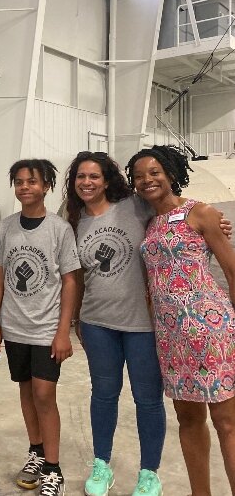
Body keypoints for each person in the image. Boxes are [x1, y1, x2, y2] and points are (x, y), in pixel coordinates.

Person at [128, 145, 235, 495]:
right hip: (171, 335)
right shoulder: (148, 222)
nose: (147, 180)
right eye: (139, 175)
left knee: (226, 422)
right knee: (188, 420)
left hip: (209, 329)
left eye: (155, 172)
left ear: (171, 173)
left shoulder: (200, 213)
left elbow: (231, 270)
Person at [63, 151, 166, 496]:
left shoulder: (136, 206)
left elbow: (174, 212)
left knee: (147, 399)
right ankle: (101, 465)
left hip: (143, 324)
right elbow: (75, 275)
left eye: (94, 176)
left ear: (107, 180)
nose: (87, 183)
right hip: (97, 323)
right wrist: (76, 318)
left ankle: (149, 472)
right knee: (104, 395)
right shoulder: (74, 220)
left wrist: (210, 221)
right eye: (81, 177)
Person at [0, 159, 81, 496]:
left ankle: (53, 469)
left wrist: (62, 332)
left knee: (44, 394)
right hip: (13, 328)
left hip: (46, 328)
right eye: (20, 182)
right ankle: (36, 452)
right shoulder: (5, 229)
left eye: (32, 181)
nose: (25, 187)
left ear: (46, 186)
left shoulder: (59, 229)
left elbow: (70, 281)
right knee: (26, 390)